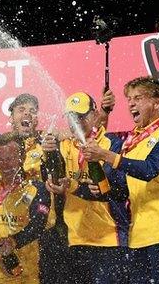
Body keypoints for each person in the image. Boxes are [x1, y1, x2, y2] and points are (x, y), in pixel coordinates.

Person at [82, 76, 159, 282]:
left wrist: (106, 155)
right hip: (136, 239)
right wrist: (102, 190)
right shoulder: (131, 142)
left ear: (157, 102)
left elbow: (149, 169)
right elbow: (123, 190)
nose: (131, 104)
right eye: (129, 99)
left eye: (138, 98)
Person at [42, 92, 129, 283]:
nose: (77, 122)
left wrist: (72, 186)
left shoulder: (111, 144)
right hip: (75, 238)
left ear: (95, 114)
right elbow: (53, 178)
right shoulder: (64, 145)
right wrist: (48, 154)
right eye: (72, 118)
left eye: (82, 116)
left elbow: (106, 190)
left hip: (108, 238)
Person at [0, 132, 50, 284]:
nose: (4, 165)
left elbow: (37, 226)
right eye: (0, 160)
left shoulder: (37, 189)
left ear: (22, 158)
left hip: (26, 276)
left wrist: (14, 241)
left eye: (10, 159)